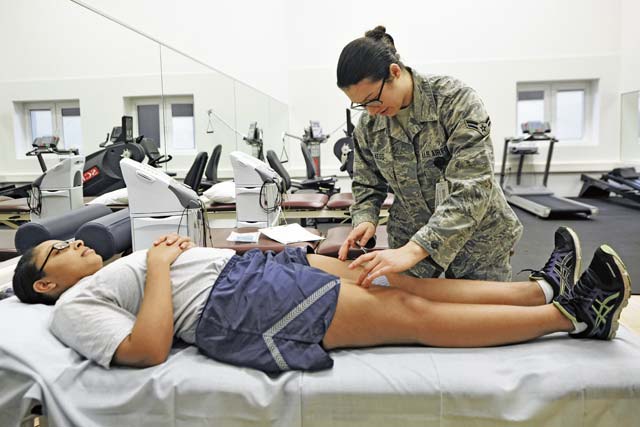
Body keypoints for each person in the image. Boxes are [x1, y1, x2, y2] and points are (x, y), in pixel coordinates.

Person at [11, 226, 631, 373]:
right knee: (406, 314)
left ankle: (541, 289)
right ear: (45, 282)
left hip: (250, 271)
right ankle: (575, 316)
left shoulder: (108, 270)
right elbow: (146, 349)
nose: (71, 241)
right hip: (237, 304)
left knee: (397, 279)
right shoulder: (73, 308)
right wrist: (155, 262)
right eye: (55, 250)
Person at [336, 26, 523, 287]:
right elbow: (367, 184)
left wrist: (416, 249)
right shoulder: (369, 126)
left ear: (394, 72)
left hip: (477, 238)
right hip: (409, 234)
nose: (372, 111)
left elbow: (473, 187)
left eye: (373, 99)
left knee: (480, 317)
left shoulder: (454, 101)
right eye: (361, 104)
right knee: (413, 317)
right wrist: (365, 218)